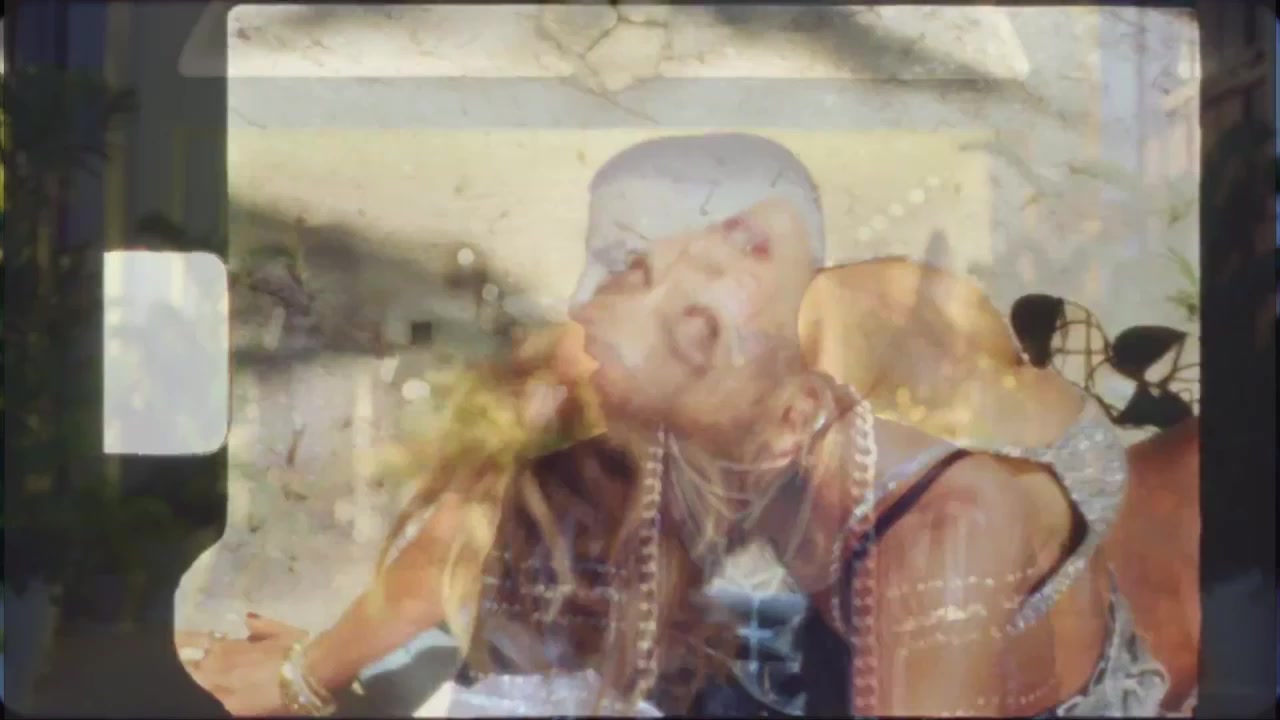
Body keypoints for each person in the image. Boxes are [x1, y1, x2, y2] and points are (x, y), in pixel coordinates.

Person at [178, 134, 1172, 716]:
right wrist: (312, 672)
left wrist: (308, 678)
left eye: (625, 267)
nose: (586, 303)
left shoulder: (931, 517)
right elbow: (473, 511)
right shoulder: (845, 319)